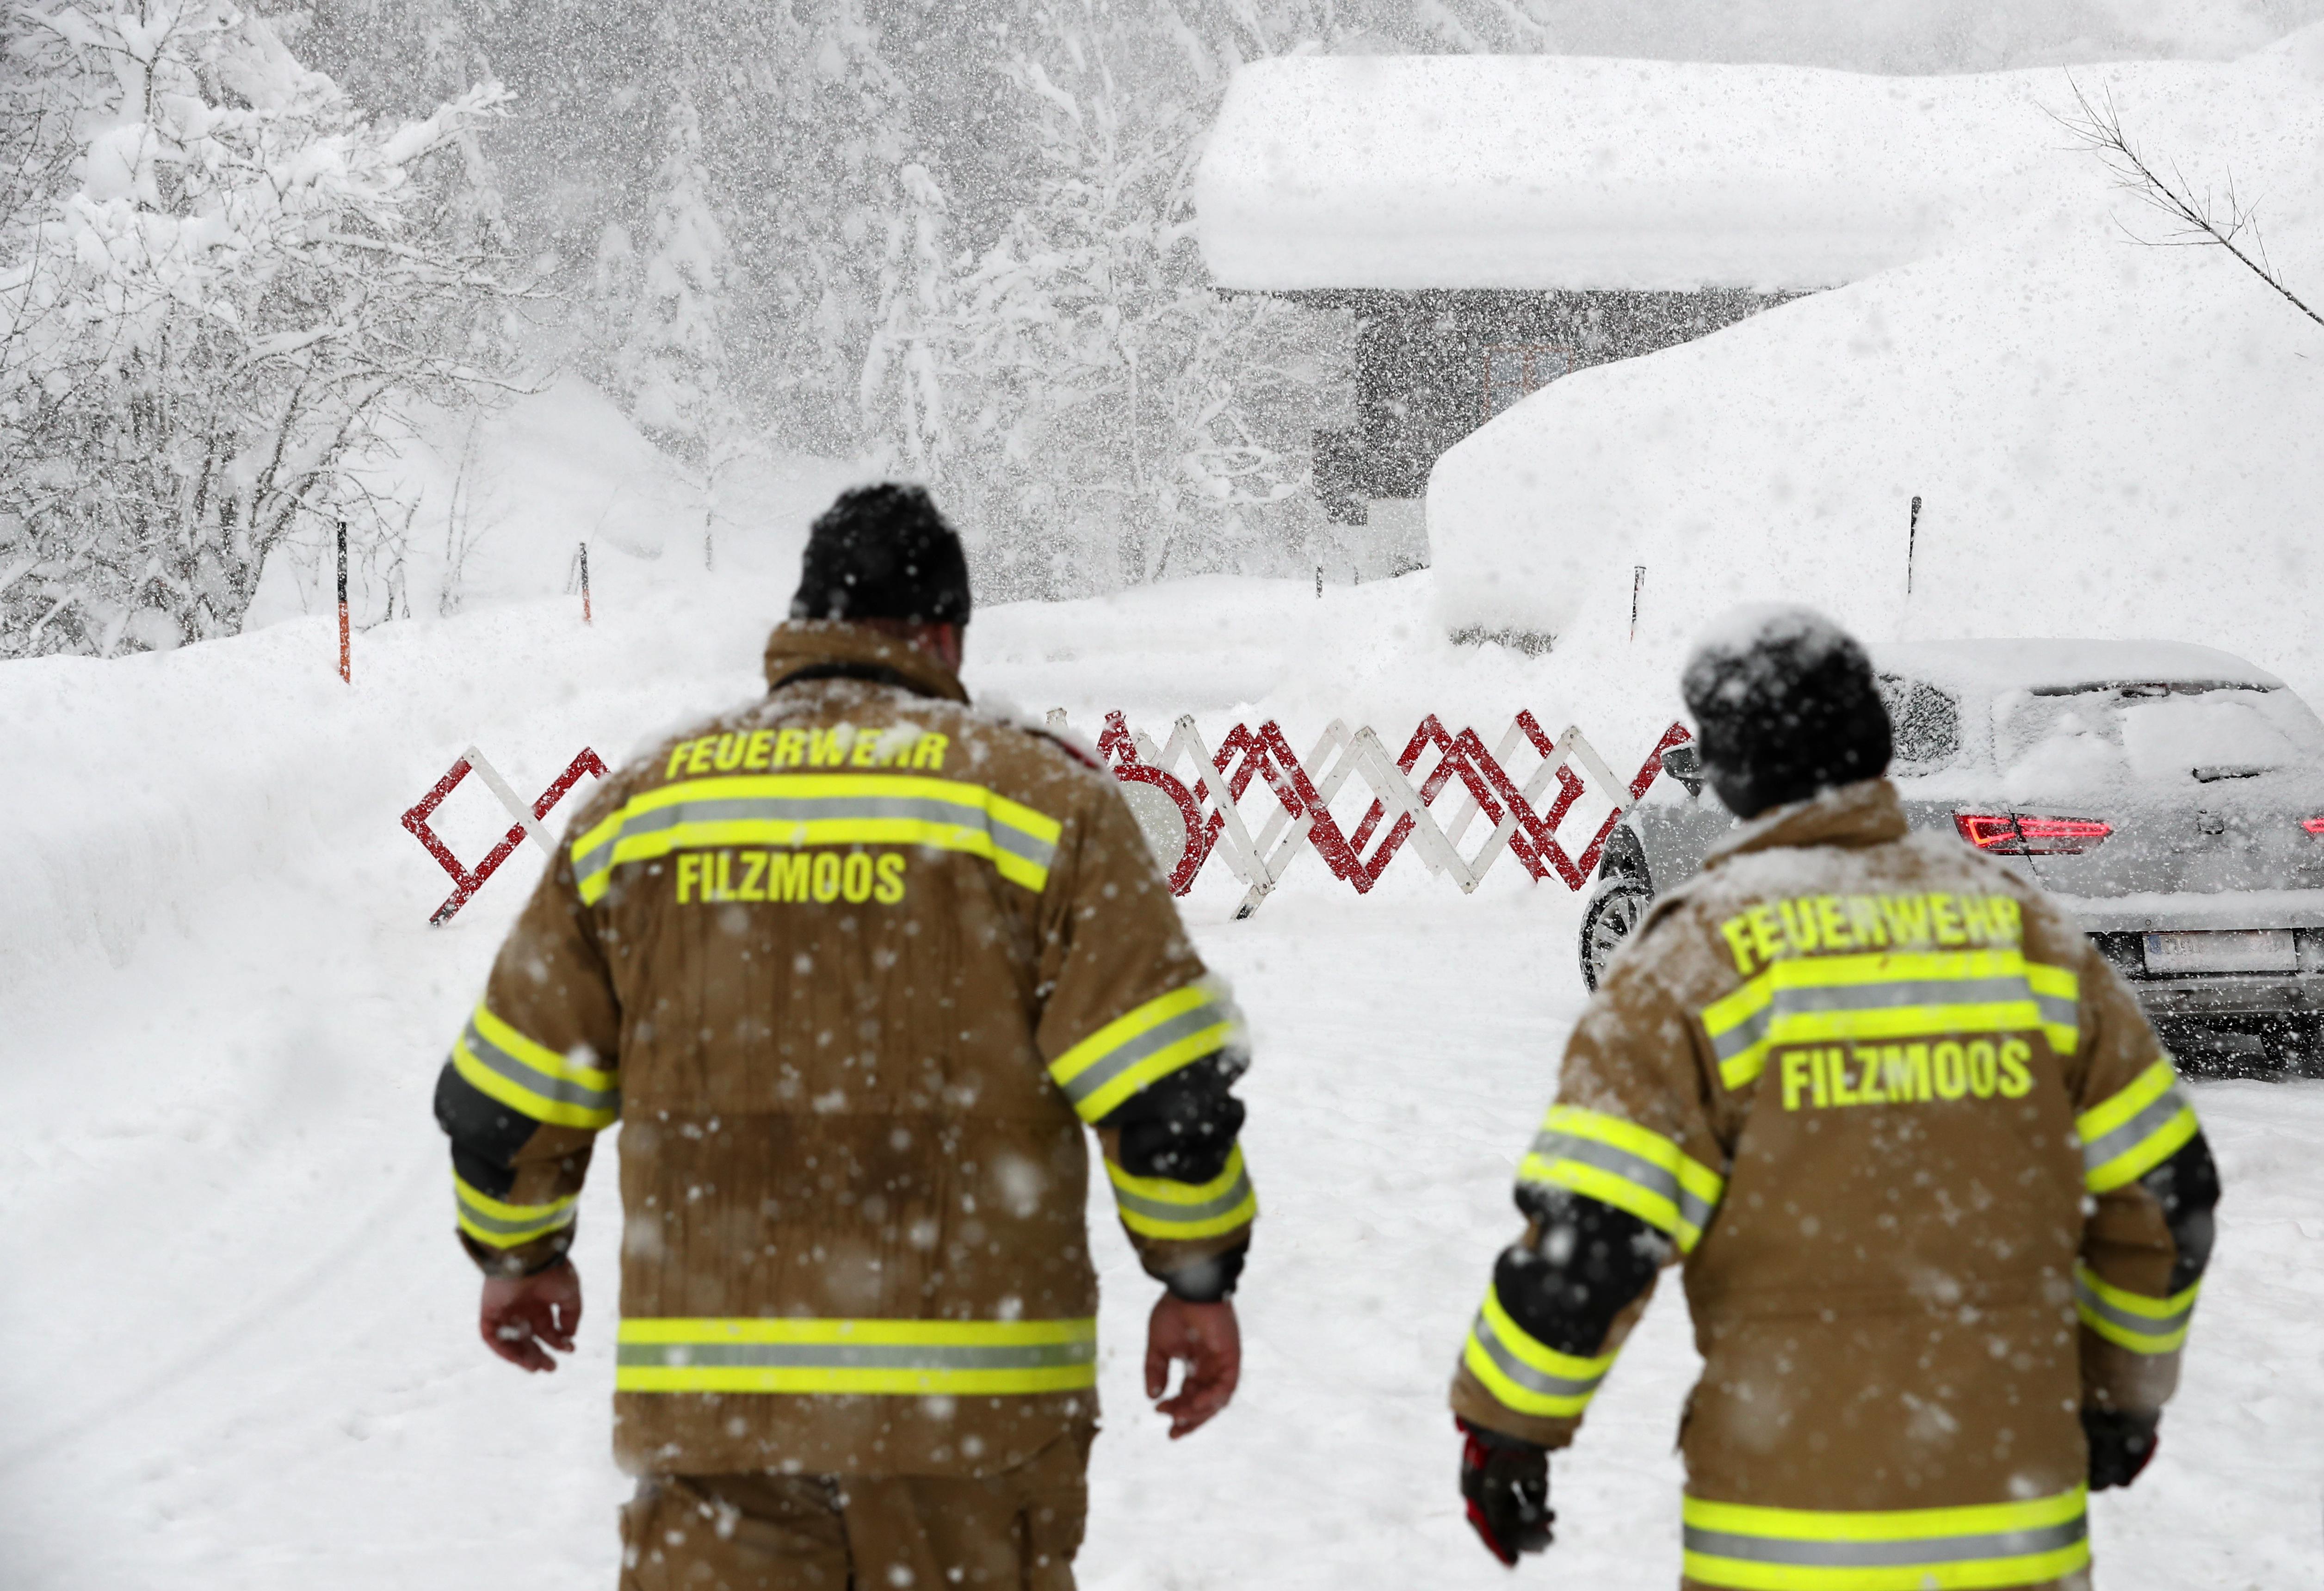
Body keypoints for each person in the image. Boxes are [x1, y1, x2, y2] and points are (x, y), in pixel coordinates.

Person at [434, 484, 1256, 1591]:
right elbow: (1161, 1086)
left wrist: (519, 1254)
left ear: (806, 622)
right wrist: (1196, 1276)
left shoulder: (640, 813)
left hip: (715, 1423)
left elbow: (510, 1093)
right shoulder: (1039, 805)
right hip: (970, 1429)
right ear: (943, 637)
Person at [1448, 606, 2217, 1590]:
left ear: (1726, 769)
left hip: (1783, 1531)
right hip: (2013, 1518)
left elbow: (1594, 1232)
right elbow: (2168, 1193)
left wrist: (1508, 1428)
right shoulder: (2026, 935)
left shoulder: (1689, 963)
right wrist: (2121, 1392)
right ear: (1874, 746)